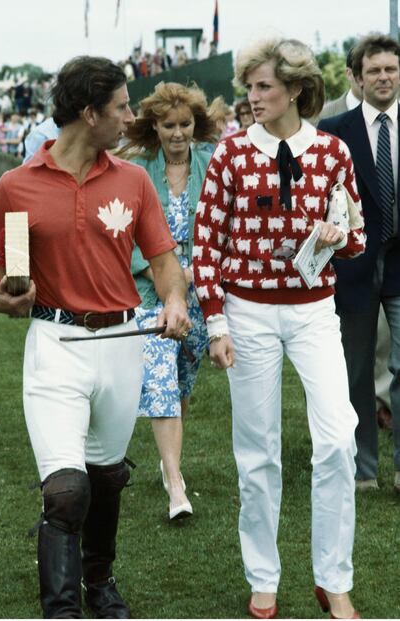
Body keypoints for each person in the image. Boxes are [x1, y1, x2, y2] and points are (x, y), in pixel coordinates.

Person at [0, 55, 191, 619]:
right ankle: (63, 609)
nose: (130, 117)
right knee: (67, 491)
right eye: (121, 107)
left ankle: (99, 582)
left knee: (103, 480)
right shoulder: (16, 185)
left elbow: (165, 262)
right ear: (89, 112)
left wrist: (174, 298)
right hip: (55, 346)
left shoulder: (132, 179)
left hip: (124, 342)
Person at [192, 37, 365, 619]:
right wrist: (215, 321)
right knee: (258, 450)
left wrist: (338, 237)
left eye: (264, 86)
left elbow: (357, 235)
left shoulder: (334, 152)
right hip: (247, 311)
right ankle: (262, 578)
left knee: (339, 437)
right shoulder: (231, 153)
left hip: (316, 309)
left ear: (295, 89)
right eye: (250, 88)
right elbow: (207, 244)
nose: (253, 97)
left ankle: (333, 578)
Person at [118, 81, 217, 520]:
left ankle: (167, 456)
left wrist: (196, 272)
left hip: (200, 289)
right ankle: (176, 484)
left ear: (196, 124)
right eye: (168, 125)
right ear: (153, 127)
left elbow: (222, 225)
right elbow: (127, 234)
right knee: (158, 374)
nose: (178, 134)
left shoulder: (212, 165)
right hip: (147, 289)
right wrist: (163, 272)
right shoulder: (137, 170)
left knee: (180, 383)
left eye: (185, 125)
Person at [318, 34, 400, 493]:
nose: (383, 77)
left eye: (390, 69)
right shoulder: (334, 131)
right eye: (374, 71)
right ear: (357, 77)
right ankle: (363, 468)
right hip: (352, 268)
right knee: (356, 371)